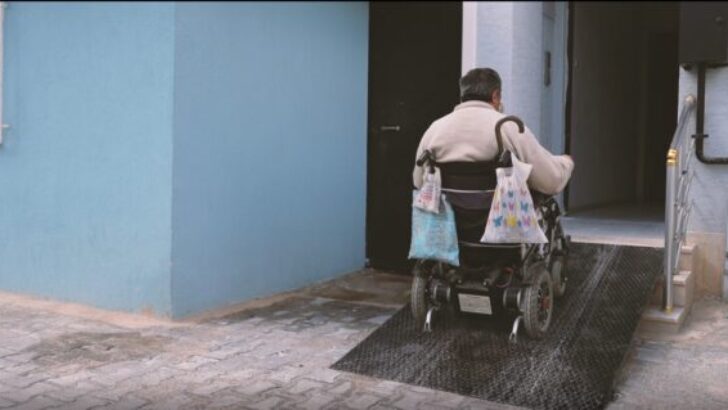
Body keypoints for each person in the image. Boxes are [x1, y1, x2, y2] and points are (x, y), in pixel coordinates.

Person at [412, 67, 574, 195]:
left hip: (450, 224)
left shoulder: (436, 128)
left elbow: (418, 182)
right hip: (500, 224)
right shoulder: (508, 126)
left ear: (462, 95)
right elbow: (550, 181)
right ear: (496, 96)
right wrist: (565, 163)